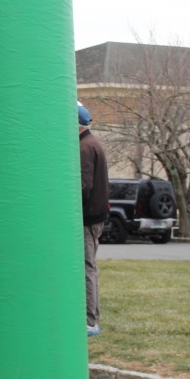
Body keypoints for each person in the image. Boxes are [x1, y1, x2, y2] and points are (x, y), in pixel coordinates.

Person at [79, 101, 109, 337]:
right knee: (88, 265)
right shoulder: (92, 142)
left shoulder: (84, 148)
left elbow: (83, 186)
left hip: (88, 218)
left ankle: (90, 320)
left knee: (87, 267)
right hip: (96, 216)